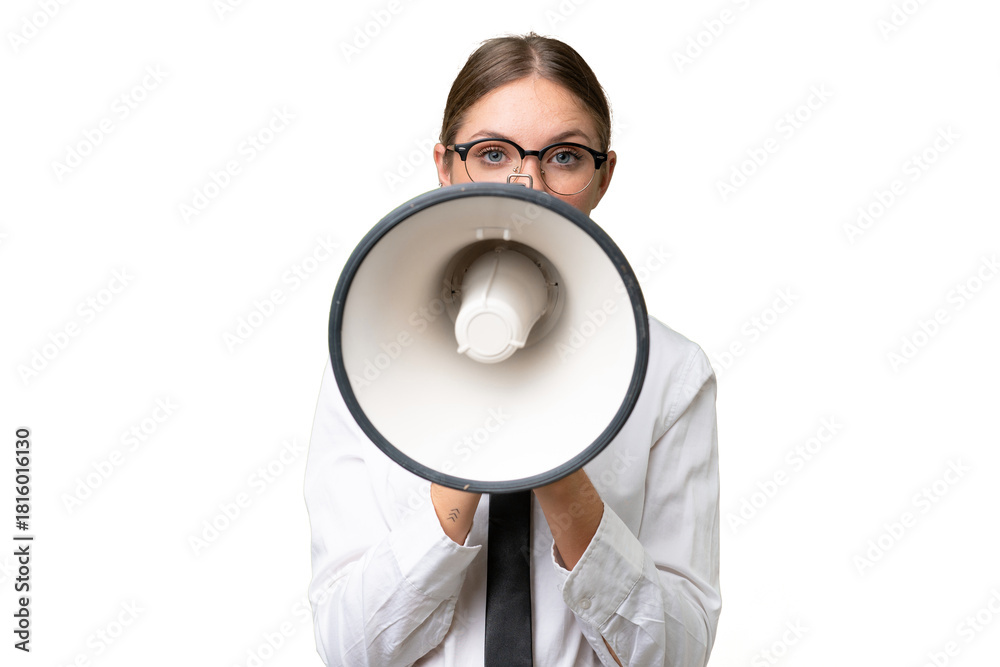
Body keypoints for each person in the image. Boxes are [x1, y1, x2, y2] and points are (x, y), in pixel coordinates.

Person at [305, 33, 721, 667]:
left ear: (603, 176)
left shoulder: (670, 374)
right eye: (493, 152)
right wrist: (474, 453)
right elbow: (349, 651)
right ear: (446, 167)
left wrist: (552, 451)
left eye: (564, 156)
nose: (527, 182)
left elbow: (676, 657)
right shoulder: (367, 363)